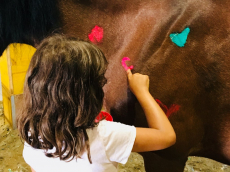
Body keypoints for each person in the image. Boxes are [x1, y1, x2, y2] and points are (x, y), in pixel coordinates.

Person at [17, 34, 176, 172]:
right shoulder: (105, 136)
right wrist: (142, 91)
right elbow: (166, 136)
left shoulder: (32, 133)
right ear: (88, 96)